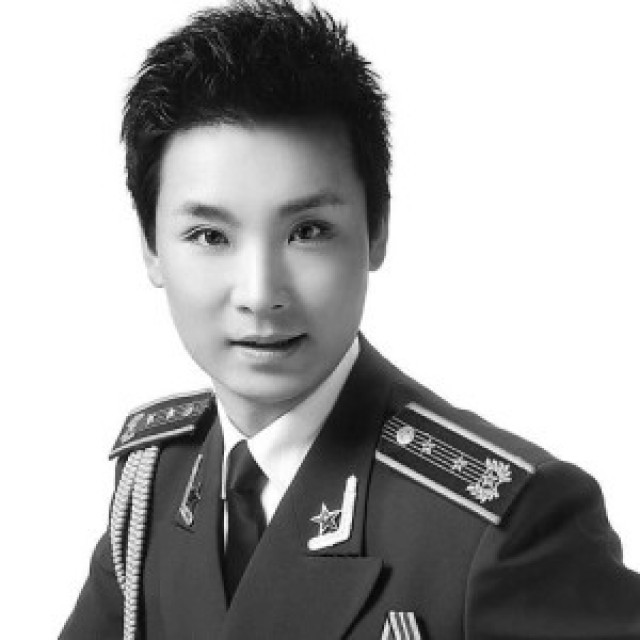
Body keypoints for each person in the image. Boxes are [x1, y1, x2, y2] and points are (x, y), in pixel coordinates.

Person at [60, 1, 640, 638]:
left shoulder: (504, 528)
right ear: (151, 248)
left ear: (376, 231)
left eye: (308, 231)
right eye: (210, 235)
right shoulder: (154, 479)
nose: (260, 294)